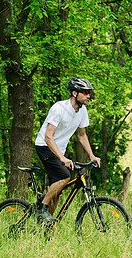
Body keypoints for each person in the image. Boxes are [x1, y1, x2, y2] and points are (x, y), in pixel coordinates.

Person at [35, 77, 101, 222]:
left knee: (57, 191)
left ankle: (47, 225)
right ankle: (41, 208)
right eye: (85, 92)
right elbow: (48, 137)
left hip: (58, 150)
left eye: (89, 93)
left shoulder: (82, 111)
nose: (88, 96)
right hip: (45, 147)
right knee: (65, 176)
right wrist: (62, 158)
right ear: (74, 93)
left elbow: (82, 135)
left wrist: (92, 155)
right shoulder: (59, 108)